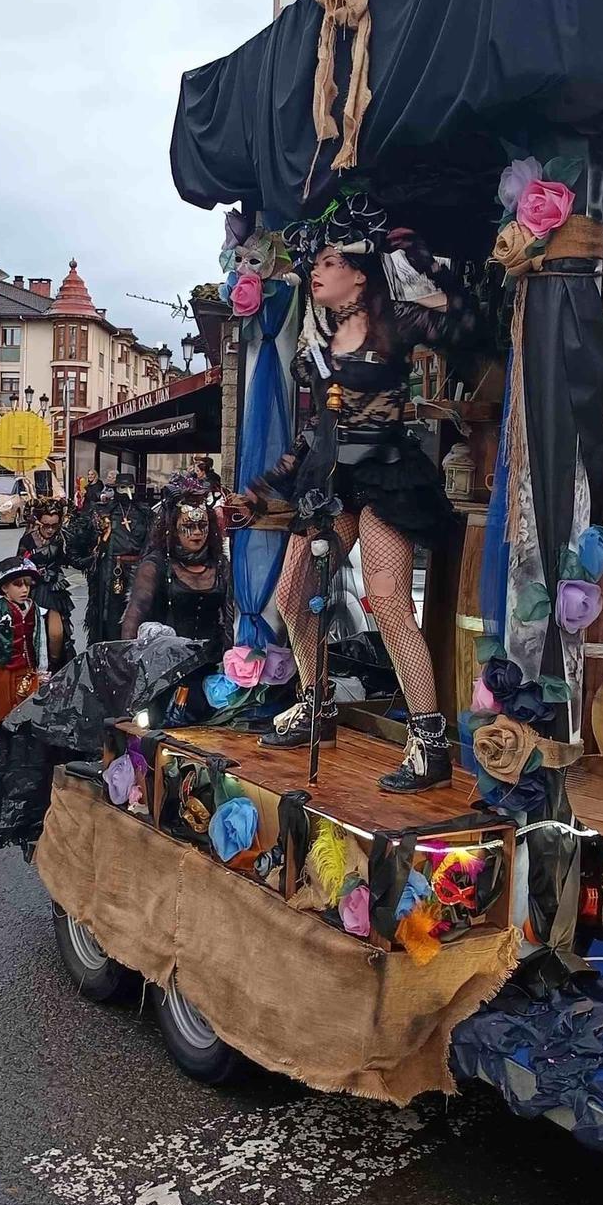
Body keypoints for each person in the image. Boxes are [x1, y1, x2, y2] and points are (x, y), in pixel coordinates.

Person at [227, 201, 486, 793]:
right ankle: (316, 705)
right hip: (332, 480)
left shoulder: (396, 319)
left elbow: (469, 325)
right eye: (313, 262)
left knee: (388, 599)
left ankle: (428, 742)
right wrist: (260, 491)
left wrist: (422, 262)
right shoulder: (316, 335)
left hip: (388, 474)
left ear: (360, 273)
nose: (315, 271)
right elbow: (312, 431)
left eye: (328, 261)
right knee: (292, 596)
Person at [121, 479, 231, 647]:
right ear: (173, 528)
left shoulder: (219, 564)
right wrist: (128, 660)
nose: (197, 532)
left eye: (202, 525)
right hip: (167, 661)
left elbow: (231, 616)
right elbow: (136, 613)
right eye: (189, 525)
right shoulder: (156, 565)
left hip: (213, 661)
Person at [71, 469, 150, 645]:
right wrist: (90, 560)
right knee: (110, 614)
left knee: (138, 612)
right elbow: (80, 539)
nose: (126, 491)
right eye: (122, 487)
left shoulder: (144, 514)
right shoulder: (104, 512)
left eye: (129, 487)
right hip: (112, 571)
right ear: (115, 488)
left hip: (139, 571)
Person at [0, 555, 51, 728]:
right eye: (18, 584)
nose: (24, 589)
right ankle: (0, 750)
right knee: (2, 714)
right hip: (3, 672)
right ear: (5, 587)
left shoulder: (35, 609)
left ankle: (24, 750)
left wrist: (42, 670)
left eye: (27, 584)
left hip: (29, 671)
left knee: (29, 714)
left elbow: (40, 641)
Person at [16, 495, 80, 667]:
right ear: (38, 522)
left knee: (57, 634)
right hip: (32, 588)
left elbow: (73, 559)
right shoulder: (28, 539)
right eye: (46, 526)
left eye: (54, 525)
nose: (50, 530)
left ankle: (53, 666)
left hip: (53, 588)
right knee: (31, 631)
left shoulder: (62, 538)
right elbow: (19, 563)